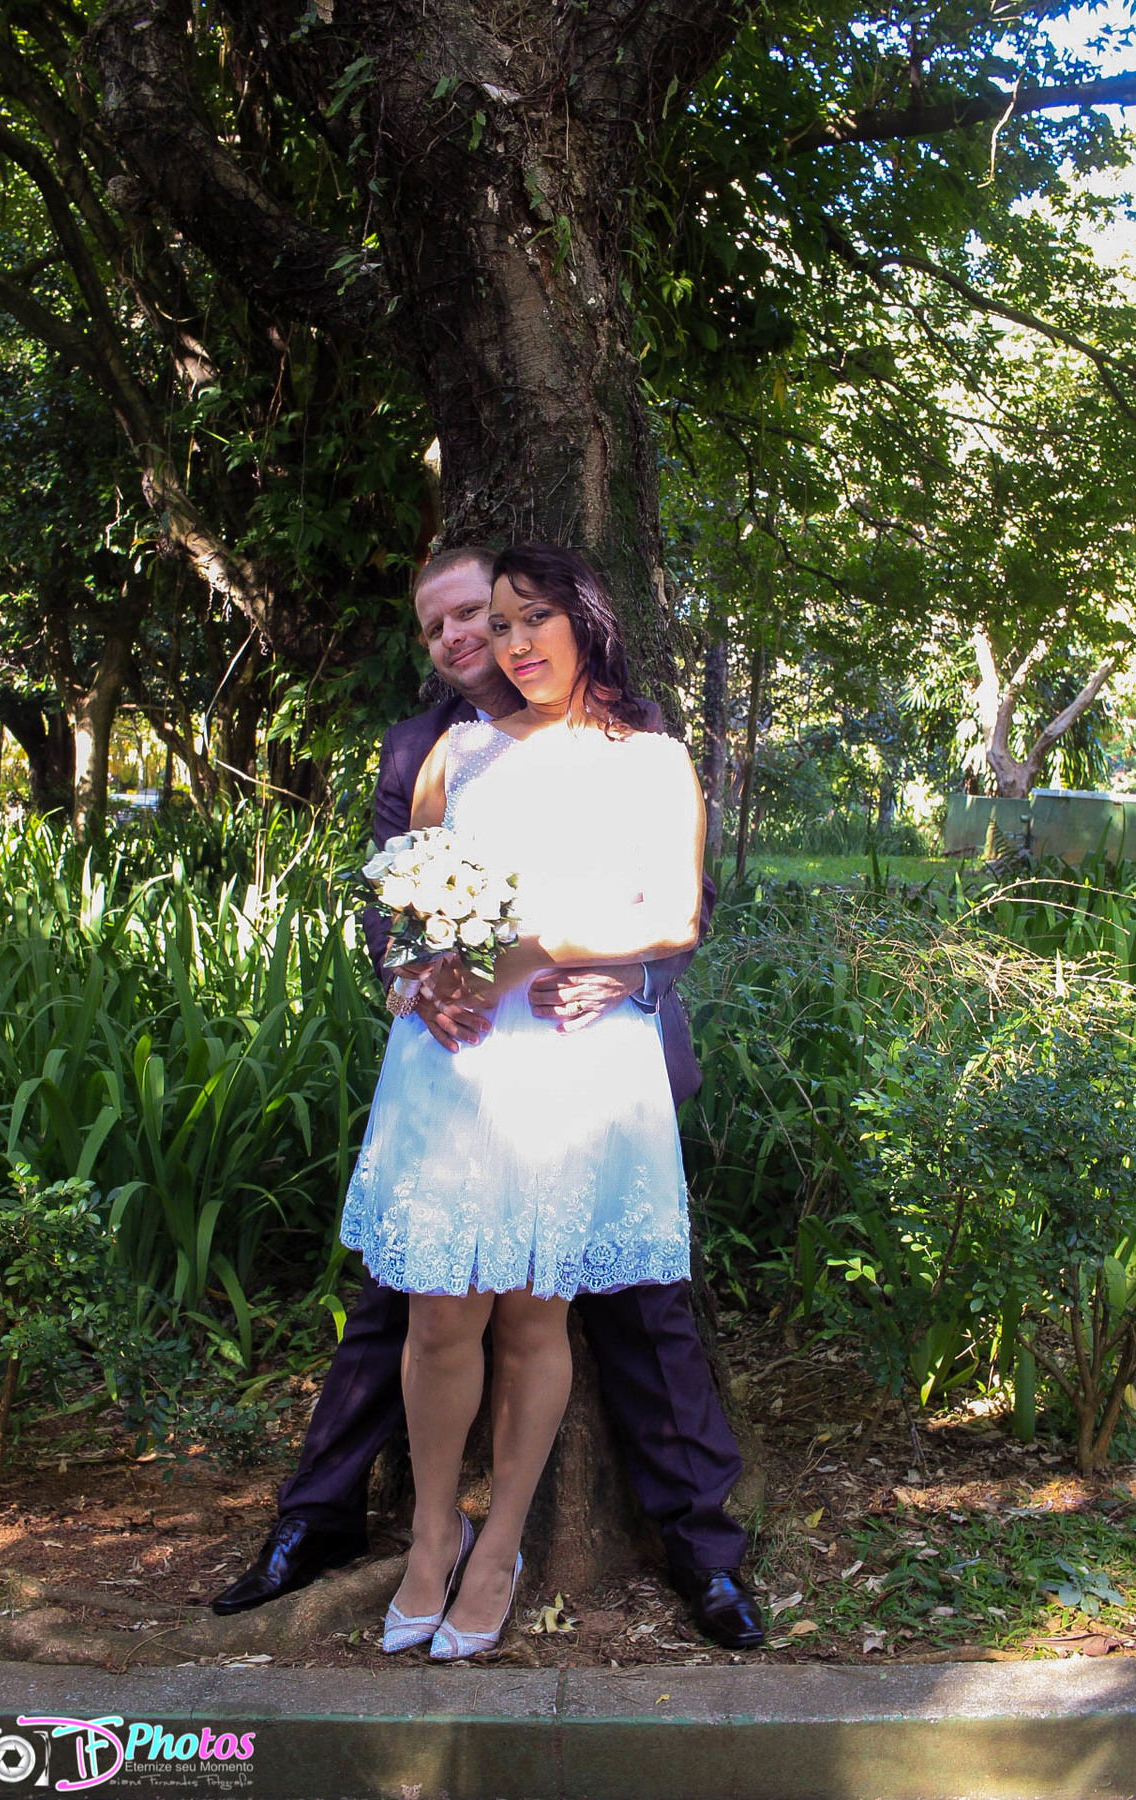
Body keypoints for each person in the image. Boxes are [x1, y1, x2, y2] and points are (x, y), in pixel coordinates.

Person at [211, 547, 763, 1651]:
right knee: (428, 1309)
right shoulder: (443, 749)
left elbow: (677, 909)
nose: (498, 641)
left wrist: (562, 959)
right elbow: (400, 903)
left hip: (576, 1055)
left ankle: (566, 1545)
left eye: (520, 617)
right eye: (476, 625)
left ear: (582, 619)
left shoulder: (648, 749)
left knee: (558, 1311)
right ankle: (422, 1537)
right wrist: (417, 981)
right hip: (457, 1061)